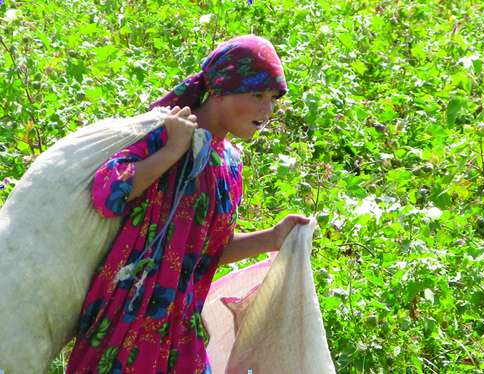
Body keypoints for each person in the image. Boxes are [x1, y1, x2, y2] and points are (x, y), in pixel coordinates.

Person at [65, 34, 309, 373]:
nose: (267, 110)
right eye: (257, 94)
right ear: (221, 90)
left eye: (273, 98)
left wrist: (272, 238)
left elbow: (206, 252)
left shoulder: (230, 164)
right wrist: (171, 151)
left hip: (180, 334)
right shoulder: (165, 132)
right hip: (125, 324)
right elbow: (106, 193)